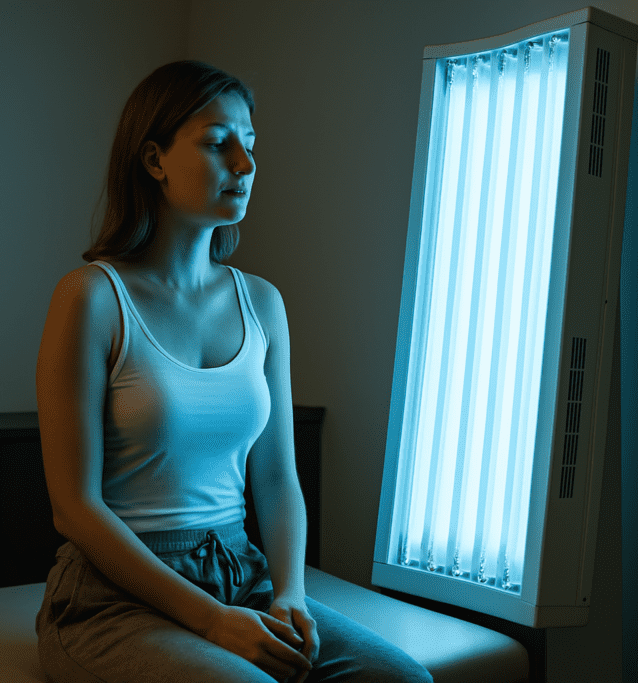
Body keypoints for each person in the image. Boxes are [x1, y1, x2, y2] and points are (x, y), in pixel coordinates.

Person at [33, 60, 433, 683]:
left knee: (403, 680)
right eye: (219, 144)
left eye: (249, 145)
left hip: (240, 575)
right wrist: (213, 621)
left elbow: (276, 477)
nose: (245, 165)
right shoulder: (91, 297)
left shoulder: (262, 303)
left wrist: (290, 594)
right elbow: (74, 508)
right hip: (111, 599)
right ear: (154, 160)